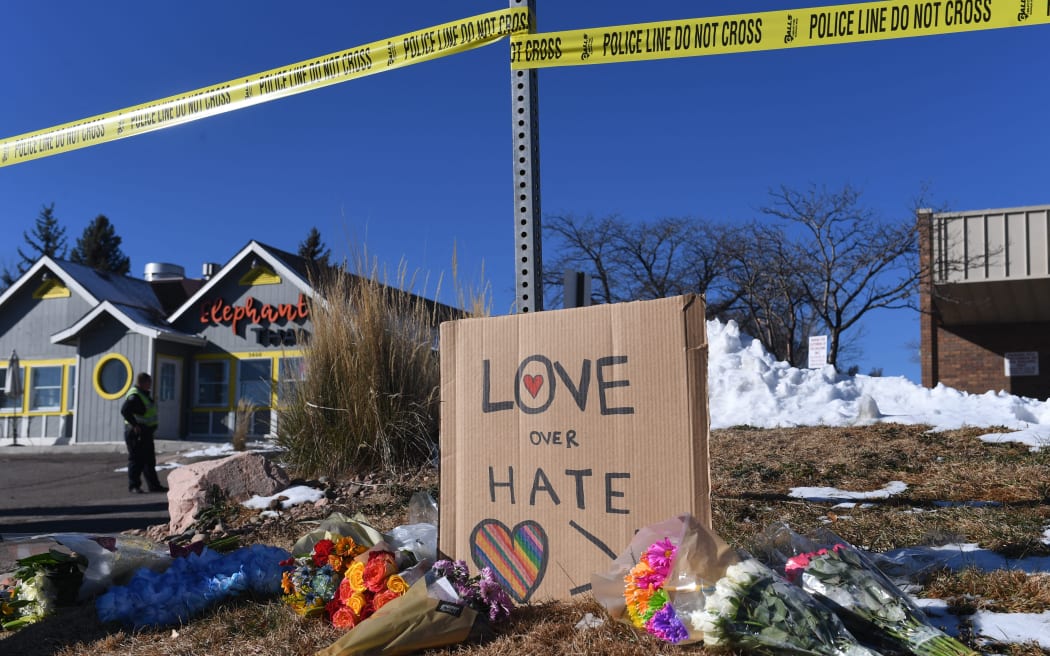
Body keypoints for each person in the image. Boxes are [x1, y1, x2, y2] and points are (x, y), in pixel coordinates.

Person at [121, 372, 167, 494]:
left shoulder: (144, 395)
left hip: (146, 432)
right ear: (142, 382)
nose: (150, 385)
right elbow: (125, 411)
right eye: (148, 382)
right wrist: (135, 425)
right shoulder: (135, 396)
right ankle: (134, 486)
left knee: (149, 460)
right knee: (136, 460)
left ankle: (154, 485)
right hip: (136, 433)